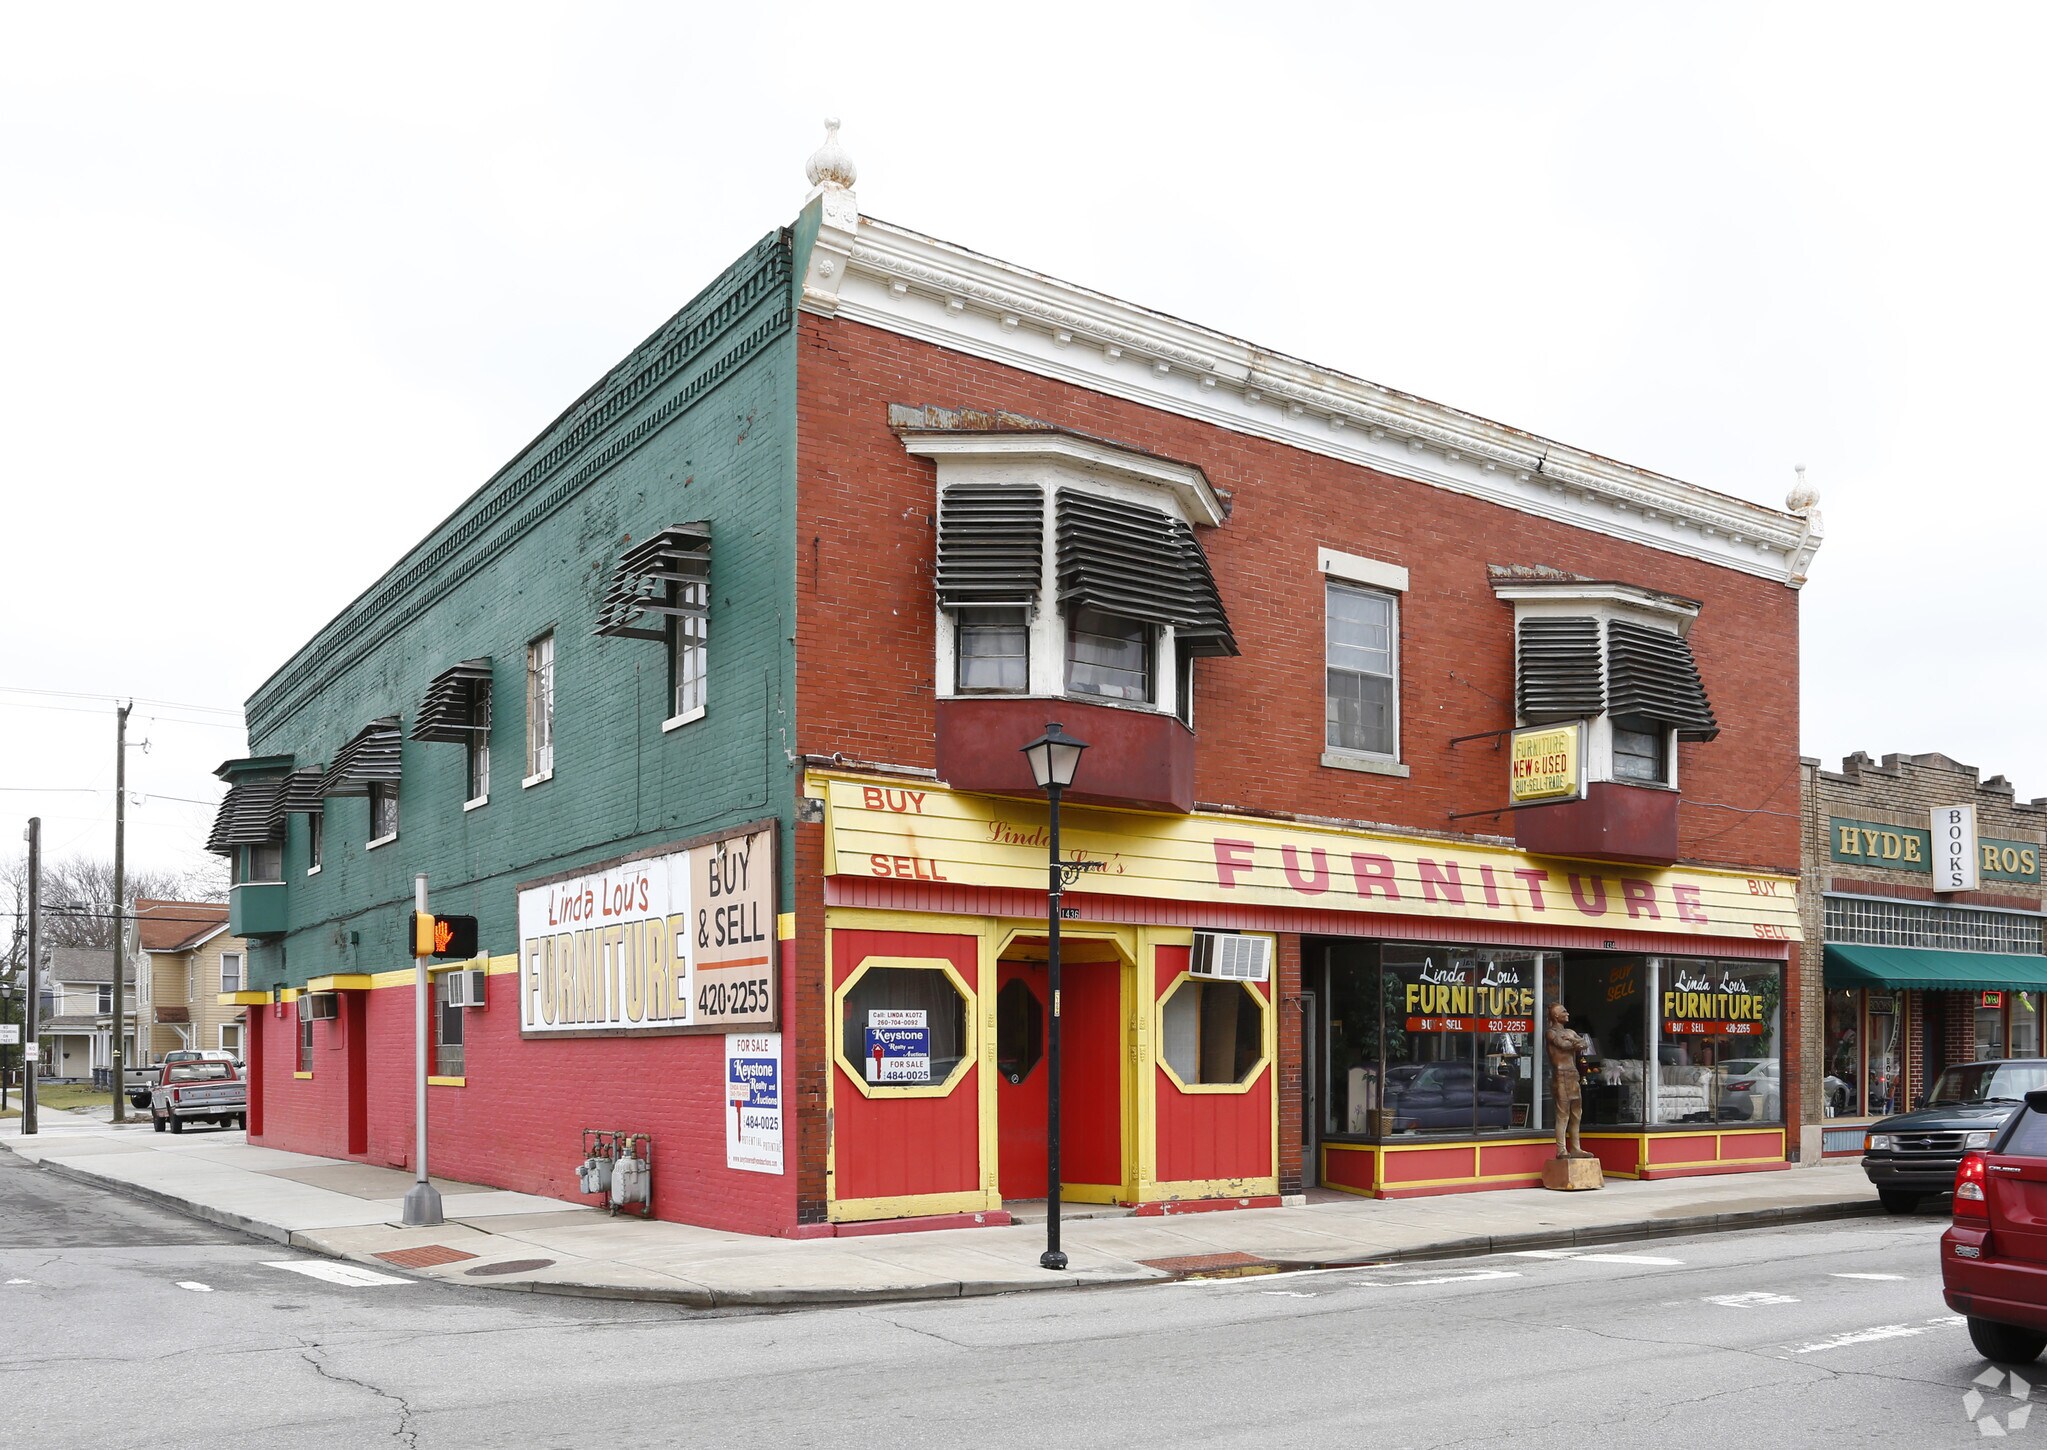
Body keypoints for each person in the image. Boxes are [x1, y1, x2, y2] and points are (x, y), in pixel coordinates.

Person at [1547, 1001, 1591, 1158]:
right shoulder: (1551, 1033)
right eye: (1564, 1012)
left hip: (1573, 1074)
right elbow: (1562, 1045)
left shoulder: (1570, 1032)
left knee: (1576, 1113)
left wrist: (1573, 1040)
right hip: (1561, 1074)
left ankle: (1576, 1147)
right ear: (1556, 1015)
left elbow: (1585, 1043)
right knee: (1563, 1114)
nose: (1568, 1014)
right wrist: (1575, 1042)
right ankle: (1561, 1149)